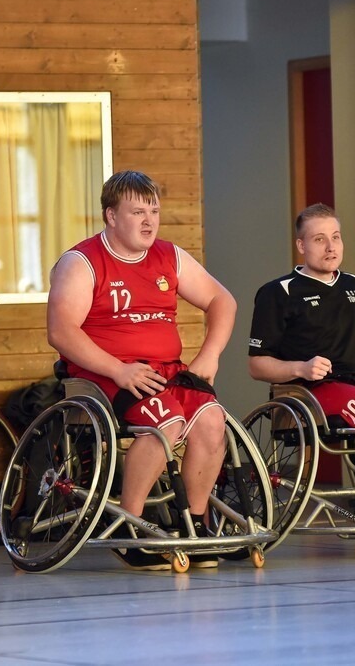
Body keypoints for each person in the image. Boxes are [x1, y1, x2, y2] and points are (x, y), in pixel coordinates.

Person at [47, 170, 237, 570]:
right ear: (111, 216)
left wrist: (211, 355)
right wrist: (118, 369)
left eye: (154, 210)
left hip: (167, 371)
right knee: (164, 423)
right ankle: (129, 525)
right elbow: (61, 331)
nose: (150, 220)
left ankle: (195, 525)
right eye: (138, 212)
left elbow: (223, 301)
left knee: (211, 419)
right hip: (103, 375)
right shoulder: (82, 261)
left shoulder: (169, 256)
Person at [247, 203, 355, 520]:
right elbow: (257, 365)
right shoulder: (278, 292)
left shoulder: (352, 285)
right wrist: (300, 367)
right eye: (319, 239)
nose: (331, 247)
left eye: (336, 238)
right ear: (301, 245)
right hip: (312, 390)